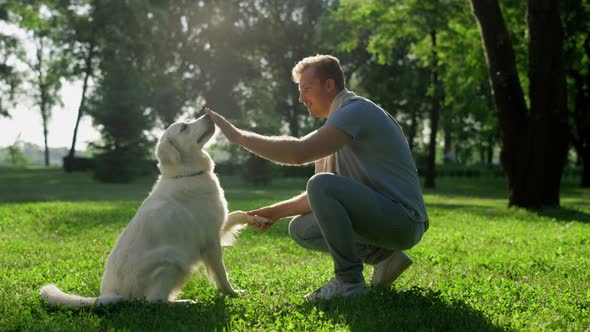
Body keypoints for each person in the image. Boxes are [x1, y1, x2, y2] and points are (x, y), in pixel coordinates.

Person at [204, 54, 429, 301]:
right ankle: (385, 259)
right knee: (302, 229)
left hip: (404, 220)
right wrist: (275, 212)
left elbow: (300, 153)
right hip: (385, 219)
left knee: (320, 184)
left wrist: (239, 138)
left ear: (329, 85)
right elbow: (321, 197)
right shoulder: (336, 127)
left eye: (306, 89)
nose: (301, 98)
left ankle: (349, 281)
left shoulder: (356, 111)